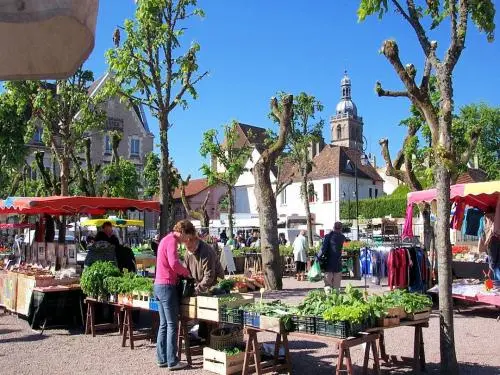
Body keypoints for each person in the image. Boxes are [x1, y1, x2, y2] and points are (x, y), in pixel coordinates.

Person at [154, 221, 192, 370]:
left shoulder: (165, 239)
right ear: (182, 231)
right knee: (172, 325)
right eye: (187, 236)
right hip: (167, 286)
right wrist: (186, 272)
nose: (187, 240)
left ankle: (162, 359)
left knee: (163, 324)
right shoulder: (172, 241)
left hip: (158, 285)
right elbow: (174, 264)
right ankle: (173, 361)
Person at [316, 222, 346, 290]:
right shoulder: (342, 237)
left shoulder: (328, 236)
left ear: (333, 227)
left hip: (328, 263)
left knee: (328, 284)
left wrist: (317, 258)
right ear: (341, 228)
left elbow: (323, 249)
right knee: (337, 286)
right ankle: (336, 299)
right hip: (338, 263)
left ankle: (329, 299)